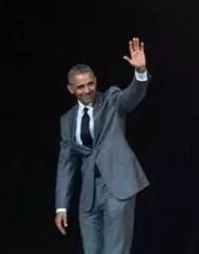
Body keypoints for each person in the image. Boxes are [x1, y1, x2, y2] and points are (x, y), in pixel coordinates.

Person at [54, 37, 151, 254]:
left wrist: (140, 72)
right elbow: (66, 165)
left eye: (90, 83)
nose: (87, 89)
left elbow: (132, 96)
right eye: (81, 86)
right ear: (71, 89)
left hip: (117, 186)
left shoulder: (111, 100)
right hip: (89, 194)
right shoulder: (67, 120)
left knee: (115, 250)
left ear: (95, 81)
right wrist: (61, 206)